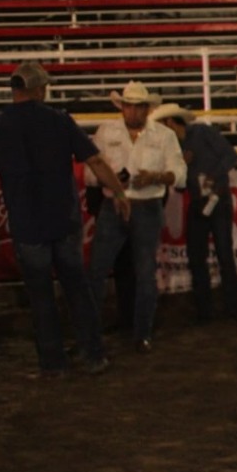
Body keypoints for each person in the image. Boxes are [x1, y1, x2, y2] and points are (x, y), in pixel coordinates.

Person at [0, 62, 130, 378]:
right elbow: (95, 161)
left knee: (40, 296)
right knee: (77, 289)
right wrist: (119, 193)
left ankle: (53, 363)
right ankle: (93, 354)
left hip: (27, 223)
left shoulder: (0, 125)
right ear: (39, 89)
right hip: (63, 218)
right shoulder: (58, 119)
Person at [87, 81, 187, 354]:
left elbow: (179, 173)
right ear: (123, 107)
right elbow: (91, 174)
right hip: (121, 203)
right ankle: (106, 333)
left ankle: (139, 332)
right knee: (102, 271)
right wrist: (112, 181)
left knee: (139, 273)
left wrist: (156, 177)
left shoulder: (163, 135)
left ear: (146, 108)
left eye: (137, 106)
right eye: (129, 106)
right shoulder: (107, 131)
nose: (132, 111)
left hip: (142, 204)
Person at [150, 103, 237, 323]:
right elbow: (180, 186)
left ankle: (227, 307)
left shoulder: (201, 132)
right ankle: (208, 308)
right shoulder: (176, 147)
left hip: (216, 199)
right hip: (202, 201)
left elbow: (230, 156)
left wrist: (213, 176)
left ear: (170, 122)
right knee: (199, 256)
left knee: (222, 253)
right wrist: (182, 167)